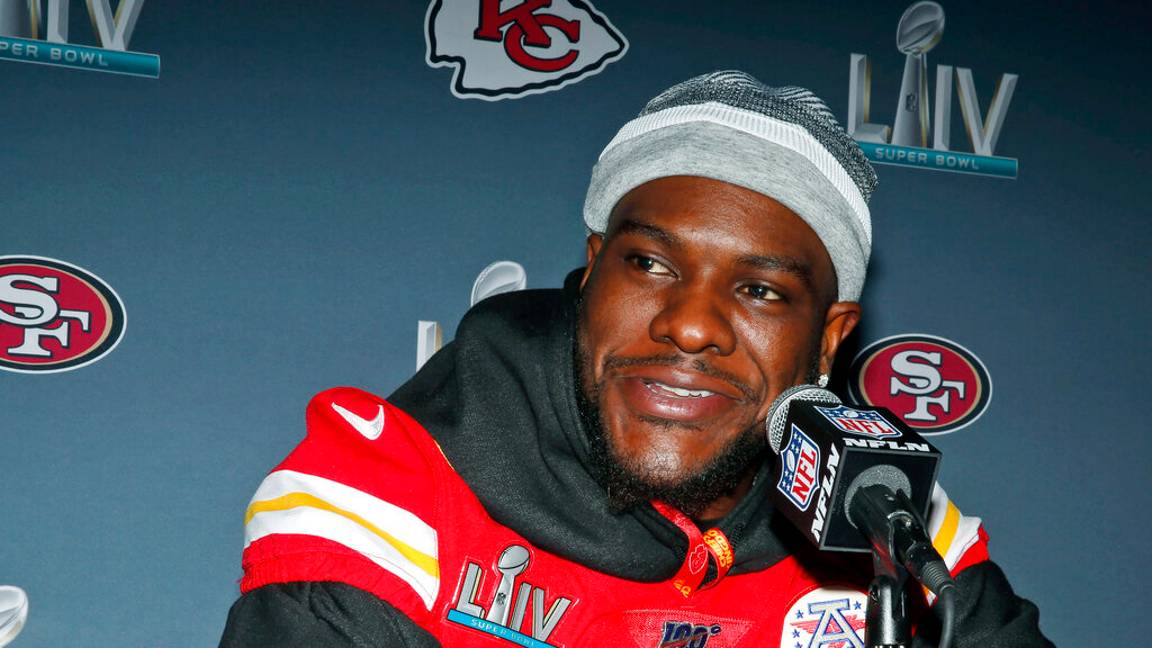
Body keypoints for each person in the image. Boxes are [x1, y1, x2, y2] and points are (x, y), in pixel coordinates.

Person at [219, 71, 1051, 647]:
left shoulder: (881, 510)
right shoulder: (392, 485)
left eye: (760, 291)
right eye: (650, 264)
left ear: (830, 339)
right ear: (591, 273)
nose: (690, 326)